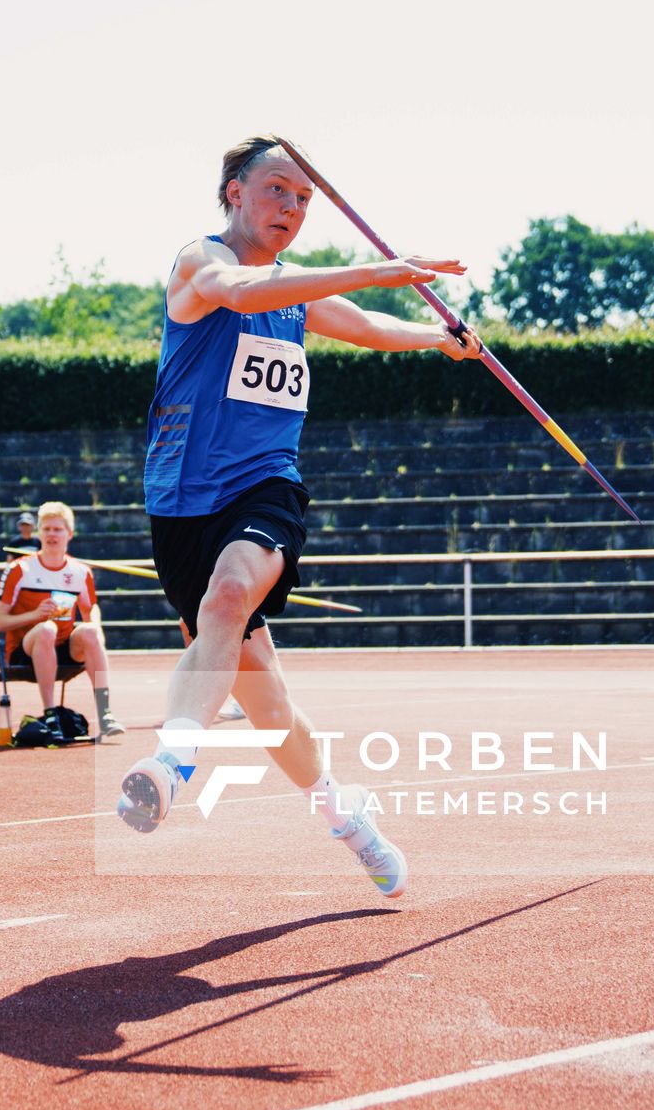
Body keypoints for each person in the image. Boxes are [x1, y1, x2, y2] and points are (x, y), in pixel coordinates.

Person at [115, 134, 485, 900]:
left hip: (265, 487)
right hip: (181, 500)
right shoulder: (201, 262)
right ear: (235, 193)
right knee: (270, 703)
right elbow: (240, 292)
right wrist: (382, 268)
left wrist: (440, 340)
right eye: (277, 190)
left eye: (305, 199)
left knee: (229, 593)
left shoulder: (297, 293)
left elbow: (373, 328)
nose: (292, 207)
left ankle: (174, 760)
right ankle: (347, 816)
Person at [0, 501, 121, 737]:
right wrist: (35, 615)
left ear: (69, 533)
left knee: (89, 632)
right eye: (46, 529)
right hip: (24, 650)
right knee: (47, 629)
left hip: (62, 647)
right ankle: (51, 715)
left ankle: (105, 713)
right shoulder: (19, 570)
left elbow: (90, 608)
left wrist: (96, 627)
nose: (51, 534)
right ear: (39, 533)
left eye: (57, 529)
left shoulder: (80, 572)